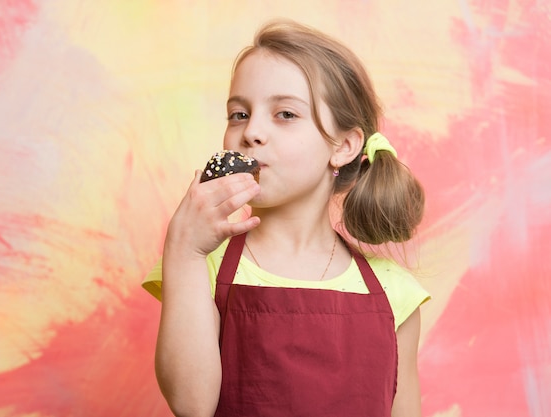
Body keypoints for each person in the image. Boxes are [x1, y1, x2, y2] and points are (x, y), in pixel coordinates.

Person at [143, 19, 430, 417]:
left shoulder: (395, 292)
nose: (252, 132)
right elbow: (191, 405)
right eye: (239, 114)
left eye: (285, 114)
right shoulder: (200, 264)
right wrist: (183, 250)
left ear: (344, 146)